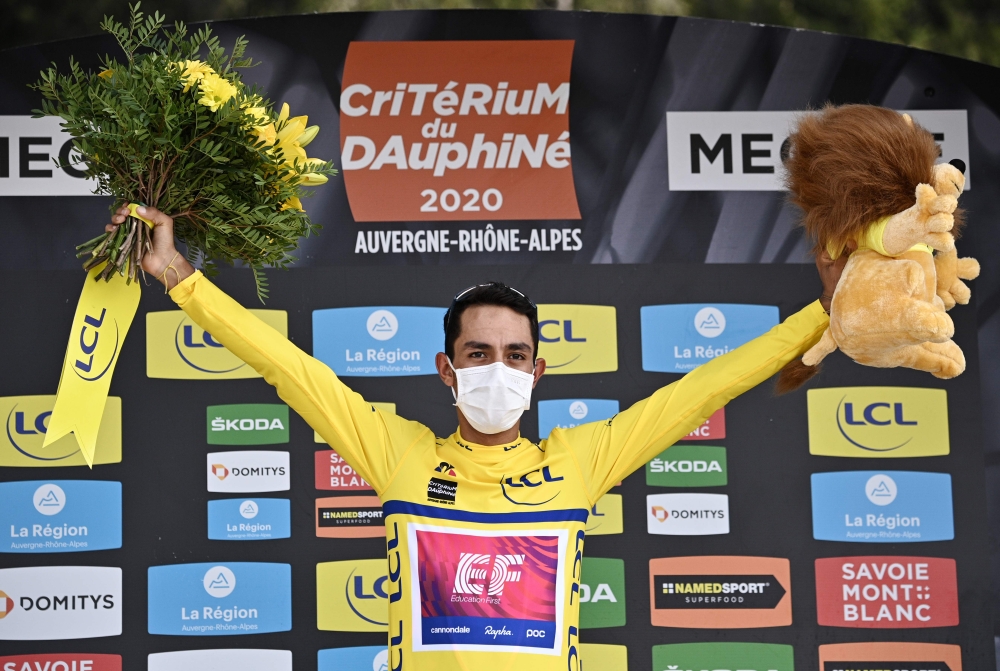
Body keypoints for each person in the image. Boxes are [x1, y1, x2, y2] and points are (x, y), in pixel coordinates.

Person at [109, 204, 844, 671]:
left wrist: (822, 312)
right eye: (478, 354)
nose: (499, 369)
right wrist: (179, 275)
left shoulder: (580, 460)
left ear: (539, 370)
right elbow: (288, 368)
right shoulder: (399, 451)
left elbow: (705, 388)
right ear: (446, 369)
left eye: (515, 356)